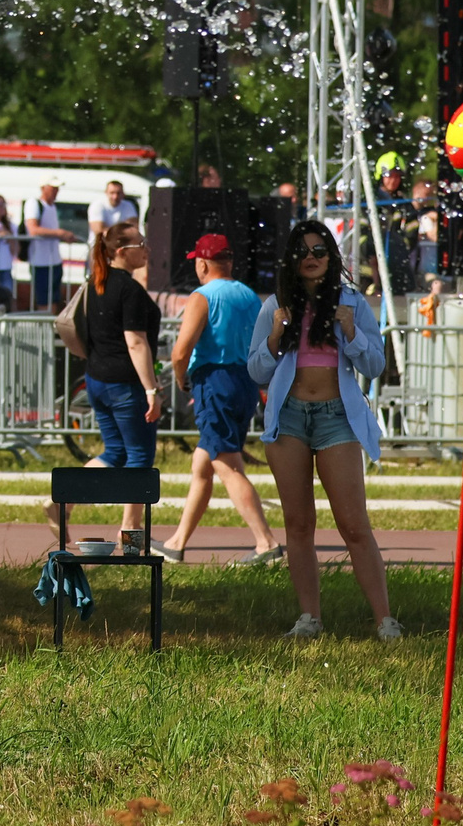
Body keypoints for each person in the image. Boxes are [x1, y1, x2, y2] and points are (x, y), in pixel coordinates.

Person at [248, 220, 398, 640]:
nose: (311, 258)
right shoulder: (276, 305)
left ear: (331, 259)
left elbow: (374, 365)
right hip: (289, 418)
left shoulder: (352, 301)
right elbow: (256, 369)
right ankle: (309, 618)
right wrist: (276, 334)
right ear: (291, 261)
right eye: (302, 252)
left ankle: (385, 619)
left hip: (337, 418)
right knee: (298, 524)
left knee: (353, 524)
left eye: (319, 251)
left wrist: (350, 331)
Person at [157, 234, 282, 566]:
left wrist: (181, 380)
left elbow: (181, 350)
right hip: (245, 382)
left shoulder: (202, 296)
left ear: (201, 263)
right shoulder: (250, 296)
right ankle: (177, 541)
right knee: (203, 463)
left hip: (215, 381)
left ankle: (265, 542)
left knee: (226, 464)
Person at [68, 224, 162, 552]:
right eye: (141, 243)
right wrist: (152, 390)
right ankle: (131, 538)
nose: (147, 249)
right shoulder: (129, 290)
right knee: (139, 457)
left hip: (97, 380)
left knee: (116, 453)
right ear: (122, 251)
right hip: (125, 385)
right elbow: (136, 342)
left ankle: (61, 504)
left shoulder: (97, 282)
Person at [24, 184, 69, 313]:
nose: (56, 191)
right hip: (40, 262)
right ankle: (43, 329)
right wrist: (60, 234)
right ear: (43, 188)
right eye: (53, 188)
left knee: (54, 298)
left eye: (57, 188)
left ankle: (49, 328)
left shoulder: (52, 207)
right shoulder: (34, 203)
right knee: (43, 299)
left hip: (54, 261)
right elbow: (33, 229)